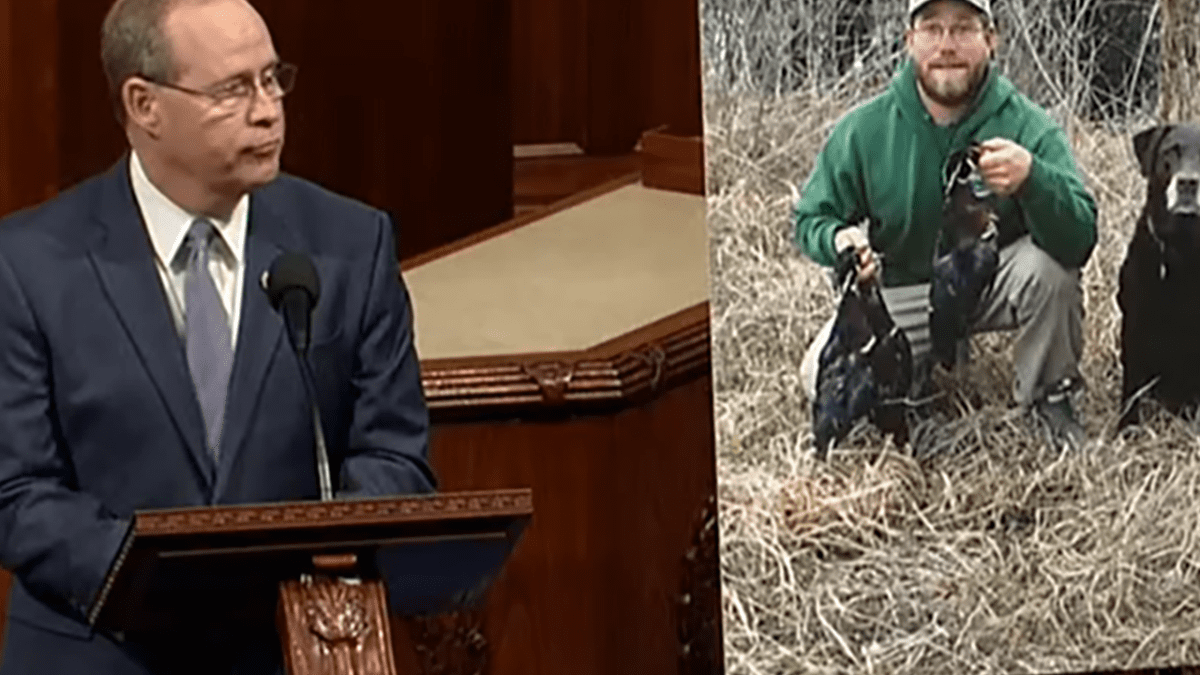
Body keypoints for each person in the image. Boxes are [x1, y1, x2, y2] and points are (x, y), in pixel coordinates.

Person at [0, 0, 437, 672]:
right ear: (144, 104)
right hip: (102, 649)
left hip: (284, 649)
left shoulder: (350, 244)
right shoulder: (28, 263)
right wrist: (150, 578)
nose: (268, 110)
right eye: (233, 89)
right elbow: (17, 488)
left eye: (272, 79)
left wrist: (300, 554)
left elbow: (396, 453)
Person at [794, 0, 1097, 450]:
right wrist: (841, 240)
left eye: (963, 29)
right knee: (818, 378)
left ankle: (1049, 401)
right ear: (909, 41)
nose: (947, 45)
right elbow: (811, 218)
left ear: (991, 40)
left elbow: (1080, 238)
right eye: (932, 29)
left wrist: (1034, 180)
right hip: (904, 294)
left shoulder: (1028, 125)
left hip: (987, 284)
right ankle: (914, 383)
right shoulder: (865, 129)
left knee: (1048, 269)